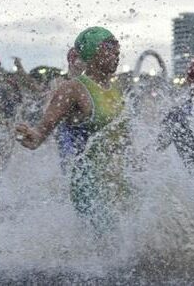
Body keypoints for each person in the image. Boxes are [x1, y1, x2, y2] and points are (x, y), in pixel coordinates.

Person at [16, 27, 129, 233]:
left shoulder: (115, 90)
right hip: (88, 183)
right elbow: (43, 130)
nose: (117, 52)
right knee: (108, 244)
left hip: (116, 179)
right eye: (110, 46)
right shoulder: (73, 89)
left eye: (117, 46)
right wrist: (34, 136)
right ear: (93, 53)